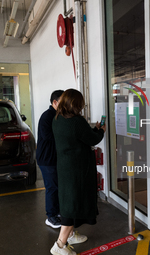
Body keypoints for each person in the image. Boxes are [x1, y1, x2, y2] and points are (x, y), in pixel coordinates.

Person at [50, 89, 106, 255]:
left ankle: (71, 235)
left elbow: (80, 137)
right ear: (76, 104)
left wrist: (92, 130)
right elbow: (92, 139)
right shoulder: (76, 121)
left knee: (69, 202)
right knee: (72, 205)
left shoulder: (57, 119)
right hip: (77, 170)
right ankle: (59, 246)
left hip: (65, 168)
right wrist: (101, 130)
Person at [36, 90, 64, 229]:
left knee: (57, 187)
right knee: (52, 188)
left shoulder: (59, 115)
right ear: (55, 102)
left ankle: (57, 212)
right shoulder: (47, 117)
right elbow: (49, 137)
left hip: (55, 159)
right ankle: (51, 216)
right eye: (63, 102)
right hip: (47, 159)